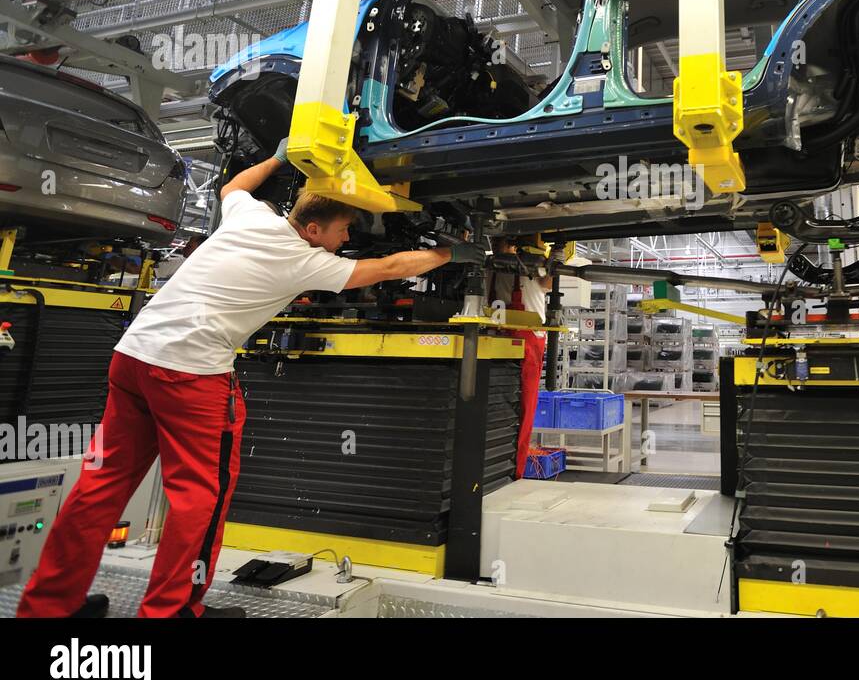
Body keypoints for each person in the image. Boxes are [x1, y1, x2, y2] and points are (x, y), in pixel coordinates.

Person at [18, 140, 485, 618]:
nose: (346, 239)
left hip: (133, 358)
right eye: (343, 229)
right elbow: (387, 268)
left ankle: (49, 607)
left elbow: (234, 185)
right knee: (199, 498)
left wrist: (279, 158)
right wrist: (451, 253)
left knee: (101, 484)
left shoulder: (250, 215)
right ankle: (171, 611)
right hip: (190, 375)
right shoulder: (306, 261)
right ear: (311, 228)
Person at [488, 237, 552, 478]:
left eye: (502, 243)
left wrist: (554, 259)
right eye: (495, 243)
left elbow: (548, 282)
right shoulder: (487, 268)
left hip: (529, 342)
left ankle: (517, 470)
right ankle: (495, 467)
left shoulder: (530, 267)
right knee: (495, 403)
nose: (498, 247)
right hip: (495, 339)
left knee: (525, 407)